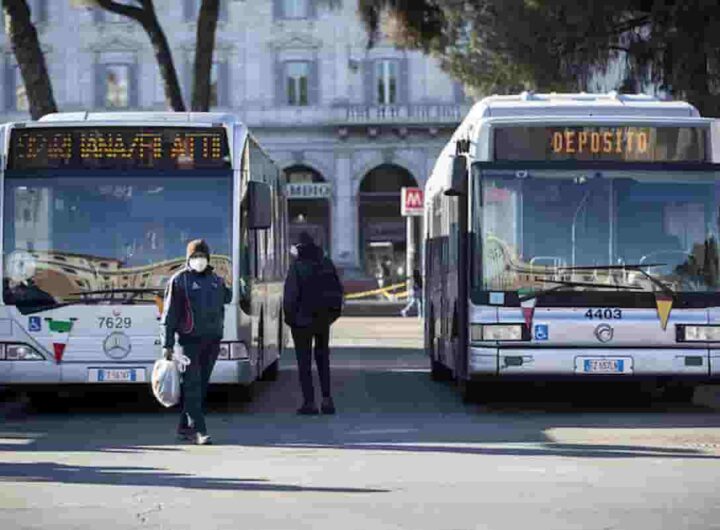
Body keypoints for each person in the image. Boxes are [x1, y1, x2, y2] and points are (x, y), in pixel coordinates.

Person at [160, 239, 231, 445]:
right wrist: (167, 345)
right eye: (195, 257)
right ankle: (199, 430)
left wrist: (238, 284)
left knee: (200, 387)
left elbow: (227, 297)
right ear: (188, 259)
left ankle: (184, 427)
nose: (199, 260)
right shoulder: (179, 280)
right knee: (192, 386)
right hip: (188, 343)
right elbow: (169, 315)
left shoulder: (216, 280)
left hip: (212, 341)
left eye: (202, 256)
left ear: (208, 258)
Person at [283, 232, 343, 415]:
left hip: (301, 323)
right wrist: (331, 316)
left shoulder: (297, 267)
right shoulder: (326, 264)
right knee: (323, 360)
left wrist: (290, 319)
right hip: (323, 320)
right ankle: (327, 400)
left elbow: (290, 297)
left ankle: (309, 402)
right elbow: (338, 292)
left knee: (304, 363)